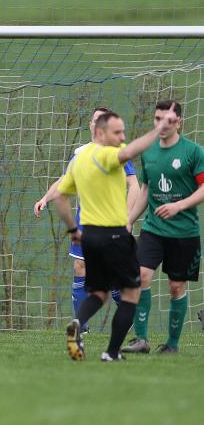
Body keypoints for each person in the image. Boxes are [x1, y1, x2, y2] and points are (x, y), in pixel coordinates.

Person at [53, 109, 176, 362]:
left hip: (89, 236)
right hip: (114, 236)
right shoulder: (106, 155)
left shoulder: (80, 157)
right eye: (117, 132)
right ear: (100, 132)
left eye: (123, 131)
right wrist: (158, 129)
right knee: (132, 293)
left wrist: (73, 229)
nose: (122, 137)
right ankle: (111, 352)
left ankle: (77, 323)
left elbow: (61, 197)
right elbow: (130, 152)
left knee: (99, 293)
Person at [33, 107, 139, 331]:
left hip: (113, 222)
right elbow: (64, 181)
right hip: (86, 220)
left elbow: (134, 185)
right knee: (80, 266)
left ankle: (132, 323)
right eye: (94, 120)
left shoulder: (115, 151)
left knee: (117, 275)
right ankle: (81, 326)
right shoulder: (80, 153)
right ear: (91, 125)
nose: (96, 123)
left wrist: (128, 219)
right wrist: (45, 198)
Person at [124, 100, 204, 354]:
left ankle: (172, 344)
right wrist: (129, 219)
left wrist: (179, 206)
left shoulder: (193, 152)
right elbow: (146, 191)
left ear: (178, 122)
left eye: (168, 120)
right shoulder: (148, 152)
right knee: (141, 276)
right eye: (158, 119)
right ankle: (141, 340)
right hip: (153, 230)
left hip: (185, 232)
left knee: (176, 286)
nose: (162, 124)